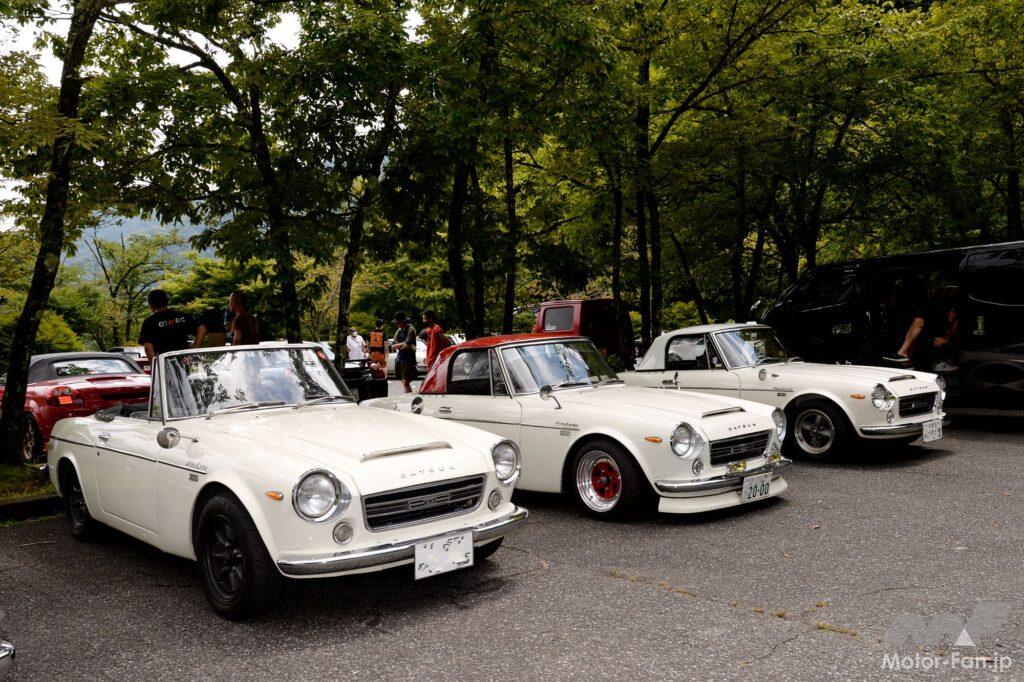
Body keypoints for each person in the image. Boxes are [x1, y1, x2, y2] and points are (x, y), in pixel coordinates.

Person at [138, 289, 198, 361]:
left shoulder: (149, 322)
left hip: (164, 363)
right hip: (184, 362)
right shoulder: (182, 316)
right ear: (166, 302)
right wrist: (192, 353)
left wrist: (155, 366)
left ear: (151, 305)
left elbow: (148, 348)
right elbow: (201, 329)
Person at [392, 311, 417, 393]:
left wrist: (399, 345)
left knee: (406, 382)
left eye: (397, 322)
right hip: (400, 358)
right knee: (403, 381)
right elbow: (394, 344)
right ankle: (409, 394)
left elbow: (407, 344)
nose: (397, 324)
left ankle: (409, 395)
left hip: (408, 359)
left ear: (402, 322)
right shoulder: (399, 330)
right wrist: (401, 345)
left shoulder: (411, 329)